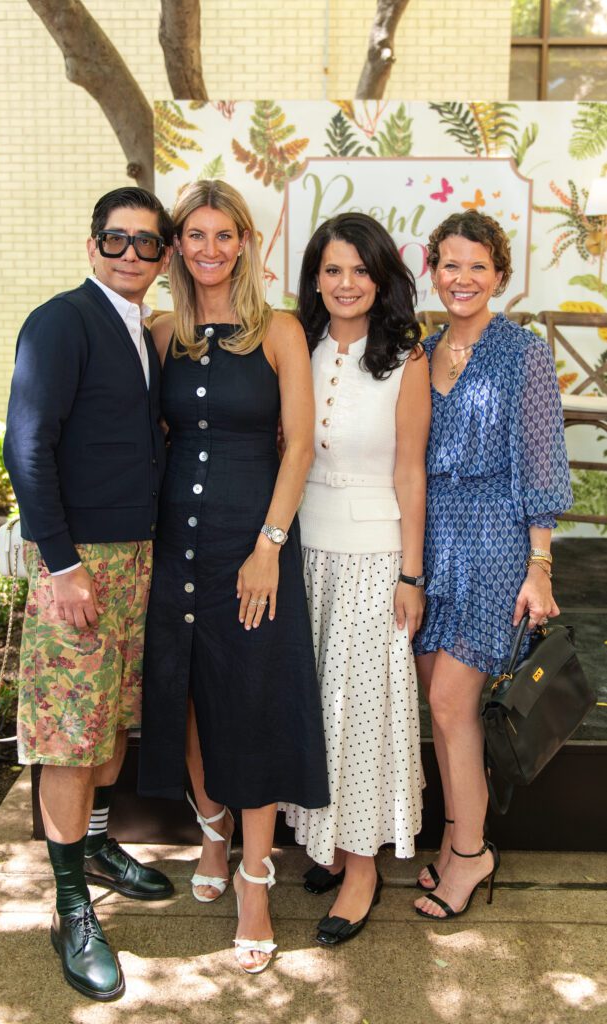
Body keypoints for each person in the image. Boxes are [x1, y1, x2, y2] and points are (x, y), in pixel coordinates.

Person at [138, 179, 329, 974]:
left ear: (245, 242)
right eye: (195, 235)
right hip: (174, 545)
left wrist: (268, 545)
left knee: (249, 700)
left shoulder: (278, 330)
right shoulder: (161, 332)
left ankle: (255, 877)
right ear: (177, 247)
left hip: (252, 545)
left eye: (223, 235)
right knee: (186, 692)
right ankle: (211, 833)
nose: (209, 249)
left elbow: (299, 445)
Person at [3, 187, 175, 1001]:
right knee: (70, 739)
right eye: (116, 239)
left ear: (163, 257)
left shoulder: (140, 329)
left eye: (146, 243)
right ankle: (70, 907)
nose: (130, 254)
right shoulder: (61, 322)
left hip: (138, 556)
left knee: (108, 724)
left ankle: (97, 846)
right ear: (91, 244)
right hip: (80, 564)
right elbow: (26, 445)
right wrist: (62, 564)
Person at [412, 210, 572, 919]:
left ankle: (471, 854)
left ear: (499, 276)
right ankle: (457, 841)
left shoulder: (522, 352)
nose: (463, 277)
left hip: (496, 542)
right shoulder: (420, 352)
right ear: (432, 270)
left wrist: (539, 564)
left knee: (452, 704)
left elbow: (542, 461)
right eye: (450, 263)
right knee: (445, 711)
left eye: (478, 266)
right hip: (431, 541)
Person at [281, 212, 430, 946]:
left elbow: (411, 471)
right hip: (304, 551)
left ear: (381, 279)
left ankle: (363, 867)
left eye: (361, 271)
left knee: (363, 712)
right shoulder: (294, 345)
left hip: (375, 557)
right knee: (316, 708)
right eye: (333, 270)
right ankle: (332, 843)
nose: (346, 284)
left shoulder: (406, 356)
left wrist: (411, 573)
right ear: (315, 278)